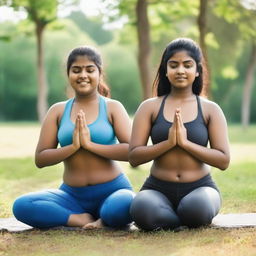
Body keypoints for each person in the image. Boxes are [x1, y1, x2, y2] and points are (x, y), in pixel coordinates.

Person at [13, 46, 135, 229]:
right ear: (69, 74)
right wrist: (73, 147)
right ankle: (78, 219)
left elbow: (132, 152)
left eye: (90, 69)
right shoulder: (58, 111)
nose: (83, 75)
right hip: (72, 196)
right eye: (76, 70)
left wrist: (90, 145)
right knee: (22, 206)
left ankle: (104, 219)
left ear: (99, 73)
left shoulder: (112, 107)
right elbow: (41, 158)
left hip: (113, 190)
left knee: (125, 203)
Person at [129, 38, 230, 231]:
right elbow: (134, 157)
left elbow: (223, 160)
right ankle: (179, 221)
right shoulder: (149, 107)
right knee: (141, 208)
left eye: (187, 65)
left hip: (200, 187)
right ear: (165, 71)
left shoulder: (210, 109)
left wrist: (184, 143)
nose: (181, 71)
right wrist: (168, 143)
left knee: (197, 208)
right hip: (157, 188)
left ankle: (180, 217)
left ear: (197, 70)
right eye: (173, 65)